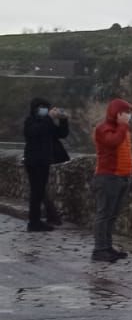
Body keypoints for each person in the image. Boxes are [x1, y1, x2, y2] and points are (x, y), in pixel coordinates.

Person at [90, 98, 132, 263]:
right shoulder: (104, 129)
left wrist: (131, 171)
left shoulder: (122, 130)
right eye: (126, 112)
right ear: (118, 113)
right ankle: (99, 249)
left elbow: (126, 152)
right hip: (108, 177)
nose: (129, 116)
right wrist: (123, 125)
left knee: (112, 215)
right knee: (104, 214)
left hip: (122, 177)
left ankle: (107, 247)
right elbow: (113, 143)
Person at [21, 97, 70, 232]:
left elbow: (61, 134)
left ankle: (37, 221)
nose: (45, 110)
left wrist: (63, 120)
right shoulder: (30, 121)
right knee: (36, 192)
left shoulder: (47, 123)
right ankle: (34, 222)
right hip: (34, 161)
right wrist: (49, 118)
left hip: (44, 162)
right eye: (42, 107)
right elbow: (35, 132)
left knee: (39, 191)